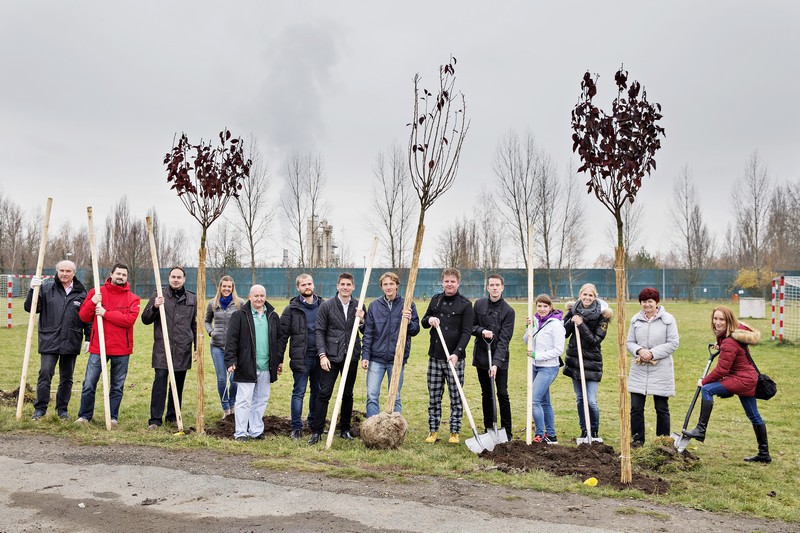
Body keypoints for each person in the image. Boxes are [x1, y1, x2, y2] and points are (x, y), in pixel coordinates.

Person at [683, 306, 771, 463]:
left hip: (742, 379)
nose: (717, 322)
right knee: (753, 415)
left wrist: (703, 381)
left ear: (729, 320)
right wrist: (720, 344)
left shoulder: (729, 341)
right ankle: (764, 454)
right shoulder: (729, 336)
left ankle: (700, 430)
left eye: (721, 319)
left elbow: (722, 370)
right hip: (748, 378)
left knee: (707, 389)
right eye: (715, 318)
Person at [24, 260, 91, 420]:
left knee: (67, 377)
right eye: (61, 270)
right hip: (49, 338)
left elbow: (88, 318)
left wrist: (89, 337)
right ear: (57, 271)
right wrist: (32, 290)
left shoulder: (81, 293)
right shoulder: (46, 288)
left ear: (74, 273)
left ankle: (62, 410)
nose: (64, 273)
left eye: (68, 271)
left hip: (71, 339)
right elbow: (30, 307)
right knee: (45, 374)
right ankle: (40, 409)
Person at [75, 263, 140, 425]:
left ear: (127, 277)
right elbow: (83, 316)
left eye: (124, 275)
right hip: (98, 347)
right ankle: (84, 416)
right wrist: (93, 302)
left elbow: (129, 320)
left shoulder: (133, 298)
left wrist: (106, 313)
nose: (121, 277)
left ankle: (112, 417)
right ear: (111, 274)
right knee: (89, 383)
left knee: (117, 386)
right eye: (118, 273)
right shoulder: (97, 292)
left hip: (121, 349)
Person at [307, 273, 364, 445]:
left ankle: (344, 429)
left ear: (353, 287)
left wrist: (361, 320)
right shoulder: (327, 306)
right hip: (331, 357)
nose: (345, 287)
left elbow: (365, 330)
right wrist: (322, 355)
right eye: (342, 284)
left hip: (351, 356)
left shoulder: (358, 305)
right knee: (324, 393)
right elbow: (319, 331)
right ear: (337, 286)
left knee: (347, 394)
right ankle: (316, 431)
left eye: (349, 284)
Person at [421, 267, 474, 444]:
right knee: (434, 396)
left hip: (455, 359)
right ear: (442, 282)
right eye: (446, 281)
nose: (449, 284)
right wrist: (429, 320)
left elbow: (467, 332)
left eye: (452, 281)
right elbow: (423, 321)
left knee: (455, 397)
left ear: (458, 283)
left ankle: (454, 432)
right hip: (435, 356)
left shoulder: (466, 304)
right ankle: (433, 430)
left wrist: (457, 353)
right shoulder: (435, 300)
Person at [141, 266, 197, 430]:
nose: (176, 279)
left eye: (179, 277)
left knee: (178, 384)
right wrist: (155, 307)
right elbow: (145, 319)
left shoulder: (192, 299)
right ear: (168, 278)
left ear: (184, 279)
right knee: (160, 382)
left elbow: (195, 325)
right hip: (162, 347)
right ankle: (155, 419)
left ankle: (173, 416)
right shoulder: (159, 294)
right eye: (173, 276)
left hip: (182, 348)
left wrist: (196, 348)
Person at [224, 284, 282, 441]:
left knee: (261, 399)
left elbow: (278, 340)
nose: (259, 299)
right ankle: (241, 432)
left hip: (266, 366)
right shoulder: (239, 316)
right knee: (244, 400)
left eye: (262, 295)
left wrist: (279, 360)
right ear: (249, 297)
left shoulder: (272, 316)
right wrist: (230, 360)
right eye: (256, 296)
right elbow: (231, 340)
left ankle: (255, 430)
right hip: (246, 365)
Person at [361, 272, 420, 418]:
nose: (388, 287)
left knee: (395, 396)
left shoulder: (407, 304)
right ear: (381, 287)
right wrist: (365, 356)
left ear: (397, 286)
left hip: (397, 359)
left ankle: (395, 429)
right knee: (372, 395)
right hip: (376, 358)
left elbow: (415, 330)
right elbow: (368, 333)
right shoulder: (374, 306)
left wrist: (408, 320)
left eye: (391, 284)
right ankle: (373, 428)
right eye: (385, 284)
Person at [626, 287, 679, 446]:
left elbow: (673, 343)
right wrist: (639, 350)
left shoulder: (668, 320)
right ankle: (637, 441)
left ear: (657, 302)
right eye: (644, 302)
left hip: (660, 369)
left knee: (661, 408)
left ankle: (662, 443)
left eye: (650, 301)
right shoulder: (635, 321)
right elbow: (629, 342)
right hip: (639, 370)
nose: (647, 305)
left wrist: (652, 353)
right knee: (636, 408)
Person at [562, 283, 613, 440]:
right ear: (580, 295)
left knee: (591, 401)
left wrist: (581, 324)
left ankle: (594, 430)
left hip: (591, 363)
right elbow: (563, 333)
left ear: (595, 297)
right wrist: (571, 321)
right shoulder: (573, 310)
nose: (587, 298)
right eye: (585, 295)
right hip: (575, 361)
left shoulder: (603, 316)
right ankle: (584, 430)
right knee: (580, 399)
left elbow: (594, 340)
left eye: (590, 295)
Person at [277, 273, 324, 439]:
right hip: (301, 357)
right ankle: (296, 427)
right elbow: (282, 336)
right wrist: (279, 359)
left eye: (309, 284)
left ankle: (313, 424)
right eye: (303, 285)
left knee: (317, 392)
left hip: (321, 356)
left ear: (313, 285)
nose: (307, 287)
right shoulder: (291, 309)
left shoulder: (323, 306)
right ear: (298, 288)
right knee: (299, 391)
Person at [471, 274, 515, 439]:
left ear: (502, 287)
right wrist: (482, 331)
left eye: (497, 285)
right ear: (487, 287)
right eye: (492, 285)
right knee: (487, 393)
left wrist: (496, 363)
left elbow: (504, 340)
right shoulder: (479, 304)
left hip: (500, 359)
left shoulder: (508, 311)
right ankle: (489, 428)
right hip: (482, 356)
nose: (495, 288)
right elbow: (471, 326)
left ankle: (507, 431)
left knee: (502, 393)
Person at [523, 294, 565, 444]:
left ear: (550, 307)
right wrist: (530, 327)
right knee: (544, 402)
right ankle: (551, 436)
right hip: (535, 366)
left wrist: (537, 355)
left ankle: (540, 434)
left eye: (545, 306)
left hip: (548, 367)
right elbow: (526, 340)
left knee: (534, 400)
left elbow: (559, 350)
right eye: (539, 306)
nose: (541, 309)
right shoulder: (535, 320)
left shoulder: (556, 325)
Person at [205, 275, 244, 418]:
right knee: (222, 379)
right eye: (224, 286)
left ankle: (233, 403)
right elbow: (207, 321)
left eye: (229, 286)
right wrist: (211, 332)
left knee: (234, 379)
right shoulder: (212, 303)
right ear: (220, 287)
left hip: (234, 348)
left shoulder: (239, 303)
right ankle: (226, 408)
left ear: (233, 288)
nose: (226, 289)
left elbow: (245, 322)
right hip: (217, 347)